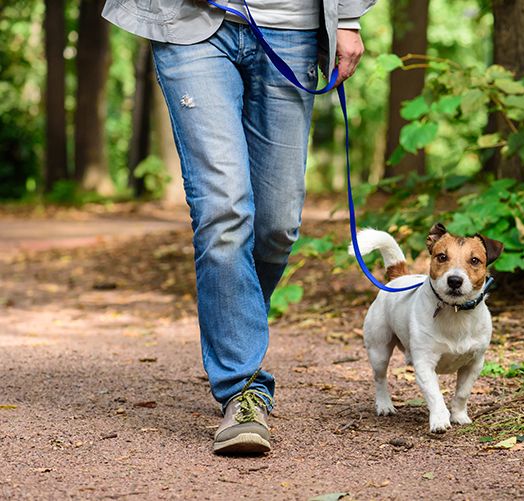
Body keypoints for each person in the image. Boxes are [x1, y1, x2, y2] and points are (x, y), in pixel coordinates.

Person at [102, 0, 376, 454]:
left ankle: (235, 323)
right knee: (223, 211)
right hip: (192, 24)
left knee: (277, 226)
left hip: (292, 28)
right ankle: (243, 388)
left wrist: (347, 17)